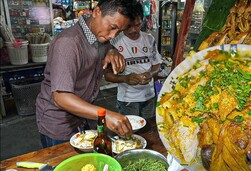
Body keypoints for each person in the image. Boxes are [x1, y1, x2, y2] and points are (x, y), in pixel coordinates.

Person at [36, 0, 139, 148]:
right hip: (59, 123)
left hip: (84, 116)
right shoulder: (67, 43)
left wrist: (112, 49)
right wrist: (106, 115)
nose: (113, 35)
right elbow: (61, 97)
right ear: (97, 12)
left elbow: (104, 44)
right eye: (112, 27)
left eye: (119, 32)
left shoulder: (98, 35)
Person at [104, 2, 161, 120]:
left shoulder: (149, 40)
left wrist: (150, 74)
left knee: (148, 130)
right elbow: (107, 76)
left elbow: (156, 65)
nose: (134, 30)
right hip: (128, 100)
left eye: (138, 25)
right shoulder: (114, 42)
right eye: (129, 26)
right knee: (129, 132)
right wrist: (125, 79)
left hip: (149, 96)